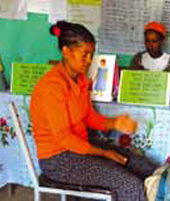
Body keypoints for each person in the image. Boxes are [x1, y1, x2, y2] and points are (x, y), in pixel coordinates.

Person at [30, 21, 157, 201]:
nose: (90, 61)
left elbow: (89, 117)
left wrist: (115, 123)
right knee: (129, 184)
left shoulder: (80, 80)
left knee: (142, 166)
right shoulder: (52, 86)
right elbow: (63, 138)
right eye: (85, 55)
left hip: (81, 148)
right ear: (66, 52)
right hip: (58, 160)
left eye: (92, 54)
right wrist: (104, 153)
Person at [130, 21, 170, 90]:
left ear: (162, 41)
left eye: (154, 41)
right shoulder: (138, 59)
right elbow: (130, 83)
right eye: (147, 41)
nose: (150, 45)